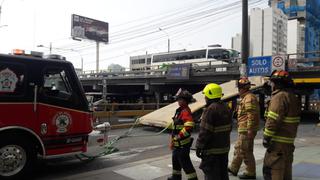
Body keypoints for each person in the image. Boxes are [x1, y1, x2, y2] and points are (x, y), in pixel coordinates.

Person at [262, 70, 301, 180]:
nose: (271, 85)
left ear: (277, 83)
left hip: (277, 145)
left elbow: (272, 120)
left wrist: (266, 137)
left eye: (272, 83)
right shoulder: (293, 97)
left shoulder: (279, 97)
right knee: (286, 173)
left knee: (273, 170)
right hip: (288, 144)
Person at [196, 83, 232, 180]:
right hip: (224, 149)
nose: (205, 98)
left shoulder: (210, 110)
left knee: (212, 175)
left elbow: (205, 132)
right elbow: (230, 128)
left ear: (210, 95)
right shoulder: (226, 108)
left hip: (211, 152)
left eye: (206, 95)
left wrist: (199, 147)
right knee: (223, 174)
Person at [228, 77, 260, 179]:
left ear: (243, 88)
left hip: (246, 130)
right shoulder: (246, 98)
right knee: (240, 148)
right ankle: (234, 168)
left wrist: (250, 129)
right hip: (244, 129)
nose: (238, 90)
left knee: (245, 150)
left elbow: (252, 114)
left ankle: (250, 172)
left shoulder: (249, 98)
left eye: (239, 88)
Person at [168, 89, 198, 180]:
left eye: (179, 99)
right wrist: (173, 141)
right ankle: (176, 177)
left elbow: (189, 126)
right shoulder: (179, 111)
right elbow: (177, 127)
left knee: (186, 164)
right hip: (177, 145)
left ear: (184, 101)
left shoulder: (185, 111)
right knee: (176, 162)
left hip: (182, 146)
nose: (178, 101)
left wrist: (178, 136)